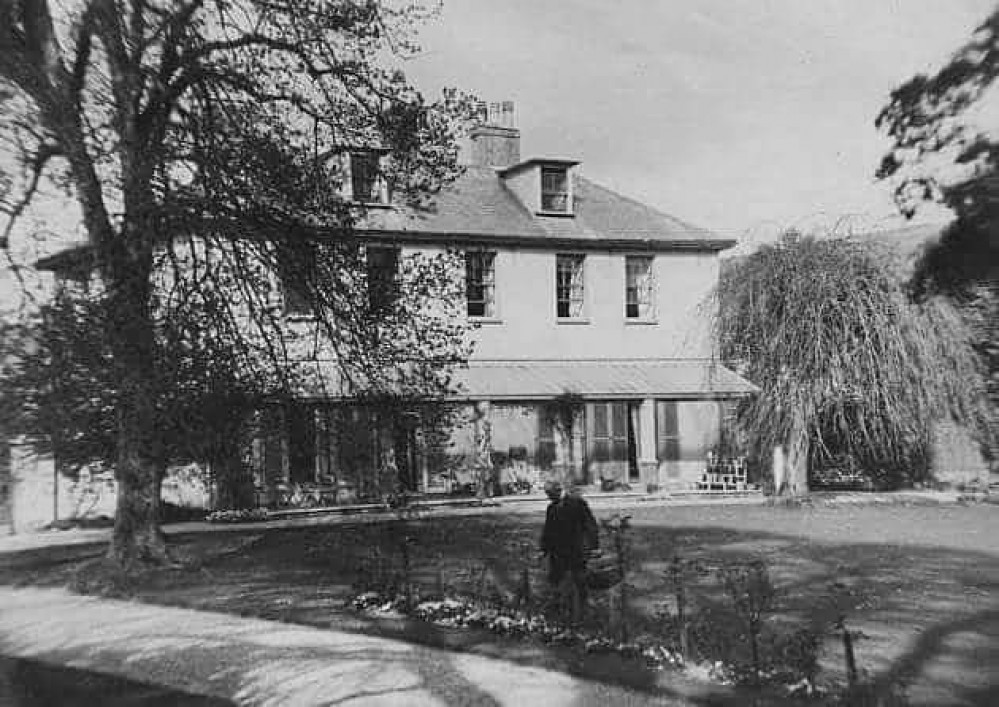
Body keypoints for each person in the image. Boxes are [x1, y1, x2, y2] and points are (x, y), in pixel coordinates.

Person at [540, 479, 599, 622]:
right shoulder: (551, 508)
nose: (548, 497)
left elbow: (590, 524)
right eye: (547, 494)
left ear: (558, 490)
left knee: (580, 579)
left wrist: (595, 546)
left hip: (576, 550)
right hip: (558, 553)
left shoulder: (577, 503)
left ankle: (584, 609)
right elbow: (548, 531)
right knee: (556, 580)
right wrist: (543, 549)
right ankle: (559, 609)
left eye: (550, 493)